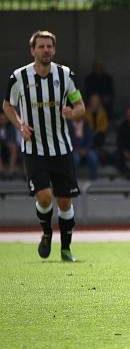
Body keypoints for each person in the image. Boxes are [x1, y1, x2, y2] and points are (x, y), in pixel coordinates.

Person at [2, 30, 85, 262]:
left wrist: (72, 112)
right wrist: (20, 125)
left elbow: (81, 106)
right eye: (41, 46)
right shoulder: (19, 78)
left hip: (61, 148)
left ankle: (66, 249)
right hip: (34, 149)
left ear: (54, 50)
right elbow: (8, 106)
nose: (46, 50)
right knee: (45, 197)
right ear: (33, 50)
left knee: (65, 201)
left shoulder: (66, 75)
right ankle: (47, 233)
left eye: (49, 46)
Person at [0, 110, 20, 179]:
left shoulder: (10, 127)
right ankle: (1, 169)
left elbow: (12, 141)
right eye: (1, 119)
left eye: (4, 119)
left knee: (14, 148)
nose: (3, 120)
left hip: (7, 145)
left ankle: (11, 169)